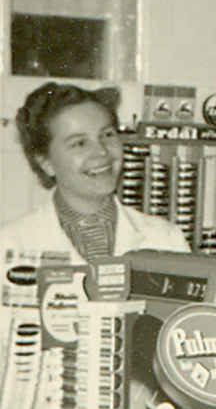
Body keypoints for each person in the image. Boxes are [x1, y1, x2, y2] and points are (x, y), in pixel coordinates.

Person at [0, 82, 191, 365]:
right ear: (45, 163)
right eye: (78, 143)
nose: (101, 152)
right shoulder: (10, 246)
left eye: (107, 135)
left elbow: (188, 344)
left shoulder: (165, 237)